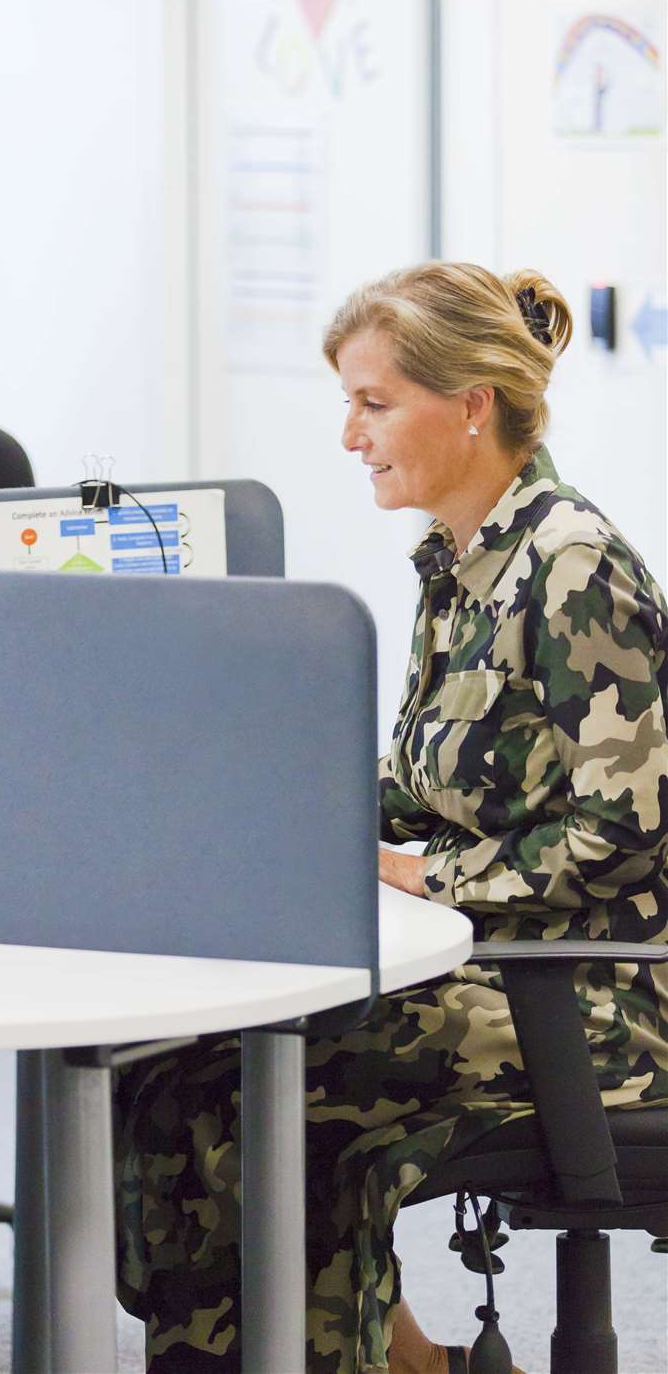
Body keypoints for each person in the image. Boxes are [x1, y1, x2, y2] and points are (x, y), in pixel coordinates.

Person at [113, 262, 668, 1374]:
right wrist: (251, 802)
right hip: (493, 964)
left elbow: (627, 832)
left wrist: (430, 882)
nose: (348, 435)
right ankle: (376, 1358)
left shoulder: (570, 569)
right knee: (162, 1072)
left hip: (589, 996)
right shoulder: (460, 561)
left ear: (471, 406)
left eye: (374, 403)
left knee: (246, 1088)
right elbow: (425, 775)